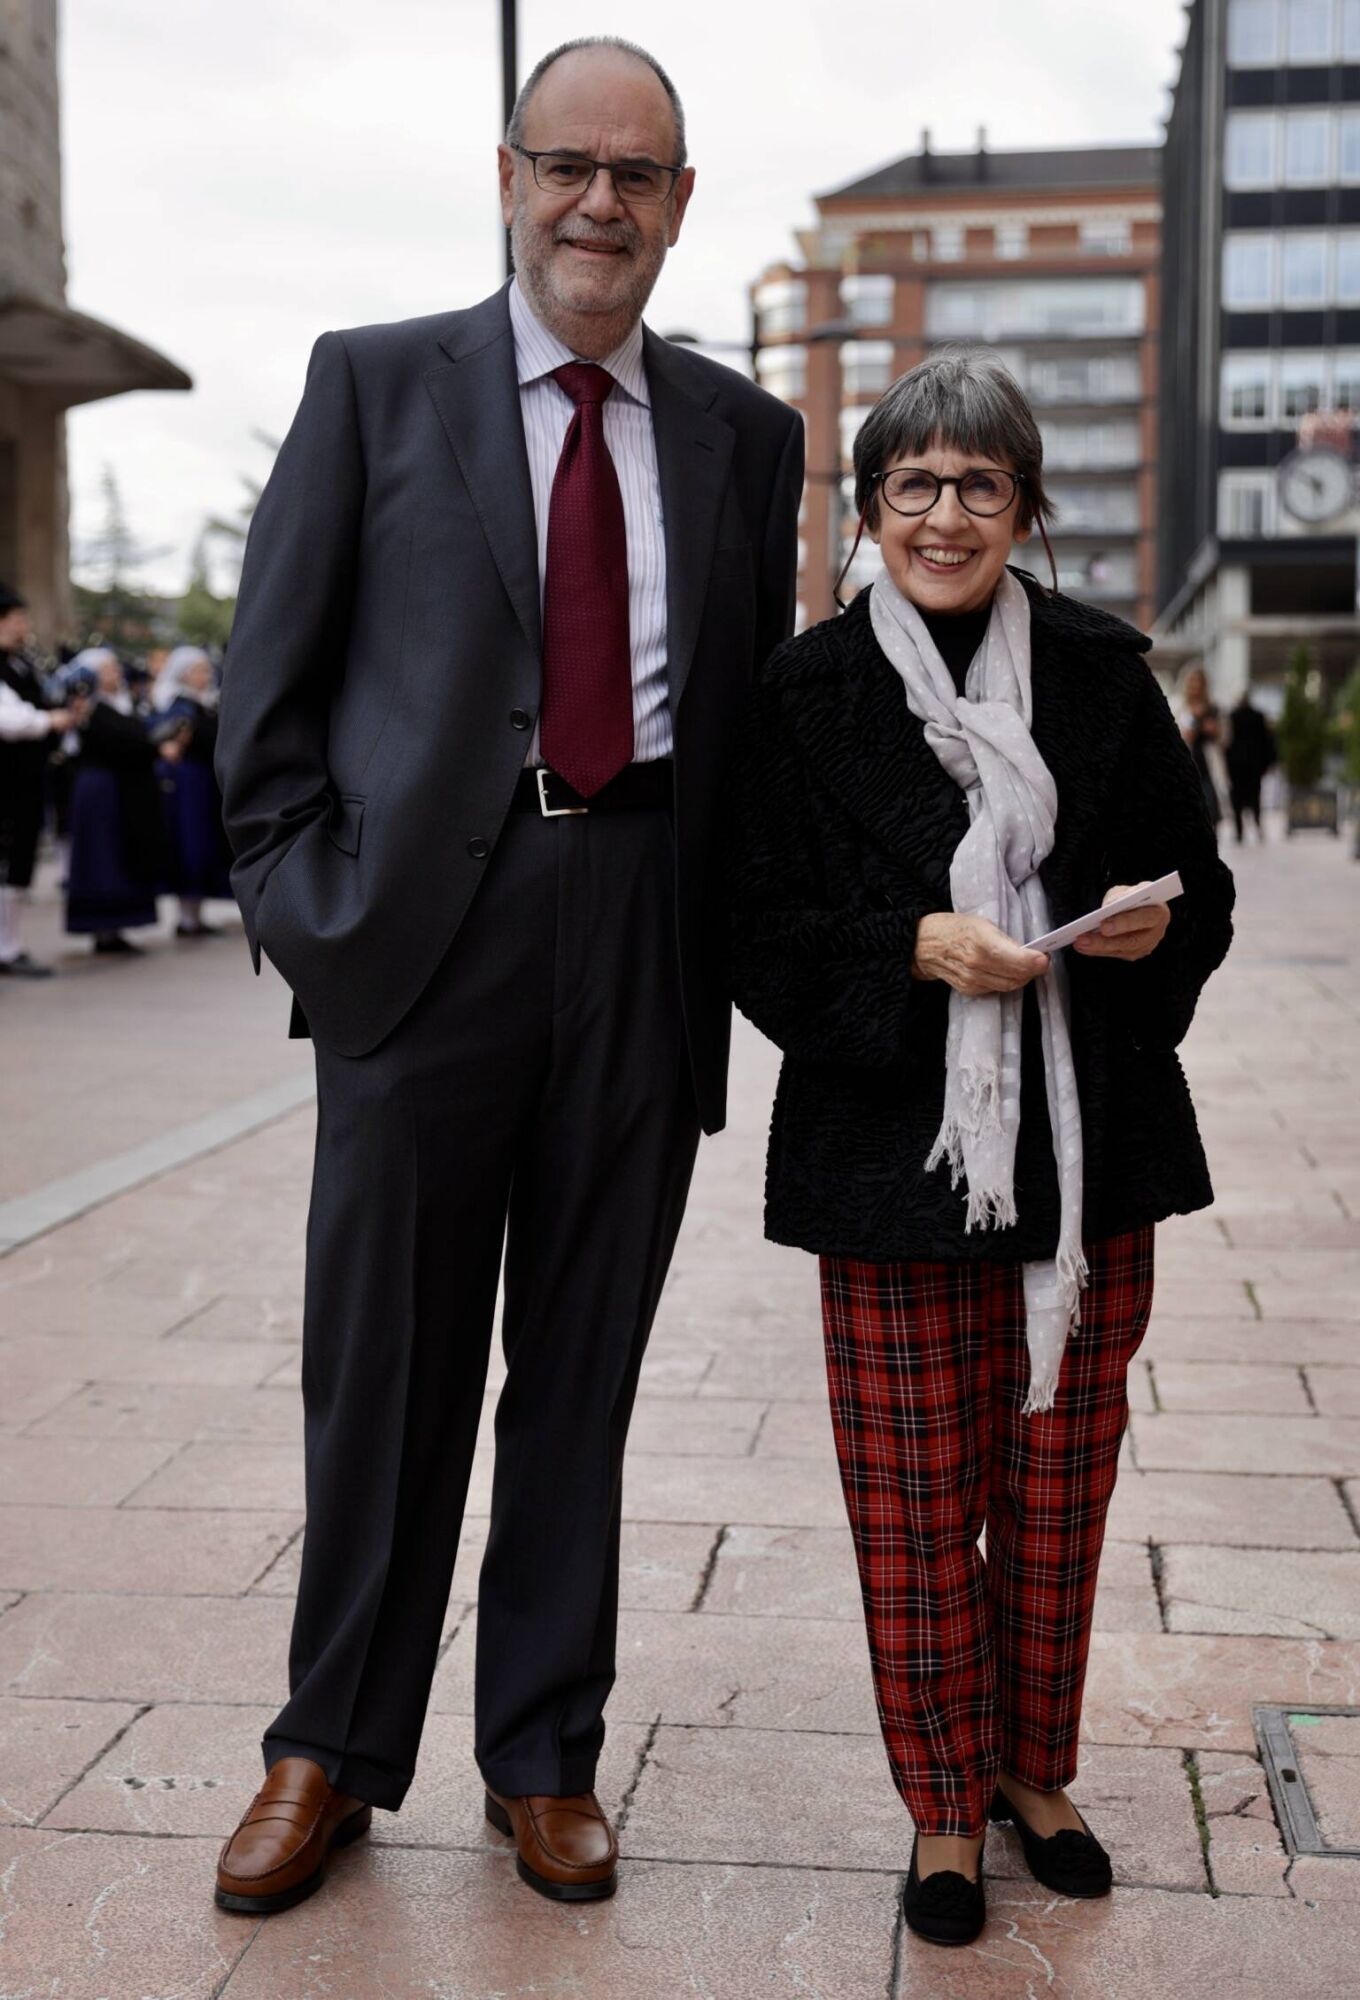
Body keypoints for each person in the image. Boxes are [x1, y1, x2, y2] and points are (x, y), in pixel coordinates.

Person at [213, 35, 801, 1918]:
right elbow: (266, 700)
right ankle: (329, 1747)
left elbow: (751, 725)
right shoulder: (375, 386)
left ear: (682, 205)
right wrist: (323, 916)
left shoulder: (742, 435)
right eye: (569, 164)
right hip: (422, 952)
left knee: (581, 1375)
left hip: (641, 929)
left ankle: (543, 1755)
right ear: (508, 173)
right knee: (381, 1369)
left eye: (638, 175)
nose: (600, 203)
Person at [728, 349, 1234, 1949]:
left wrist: (1159, 932)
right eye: (915, 486)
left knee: (1060, 1493)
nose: (947, 516)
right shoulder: (802, 692)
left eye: (980, 486)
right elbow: (755, 933)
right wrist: (911, 952)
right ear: (871, 507)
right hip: (895, 1155)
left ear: (1026, 506)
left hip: (1087, 1160)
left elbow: (1197, 881)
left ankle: (1037, 1769)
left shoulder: (1100, 669)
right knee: (912, 1502)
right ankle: (943, 1800)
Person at [63, 649, 175, 955]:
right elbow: (123, 741)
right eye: (107, 669)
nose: (115, 673)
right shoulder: (89, 708)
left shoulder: (123, 704)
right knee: (102, 856)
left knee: (121, 854)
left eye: (115, 667)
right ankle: (103, 926)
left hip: (123, 789)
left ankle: (117, 925)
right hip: (102, 791)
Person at [0, 584, 60, 978]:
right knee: (7, 862)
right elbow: (9, 720)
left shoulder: (21, 664)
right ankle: (6, 949)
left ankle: (9, 944)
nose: (24, 627)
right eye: (17, 619)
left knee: (18, 861)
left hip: (24, 780)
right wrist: (48, 721)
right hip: (6, 781)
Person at [152, 645, 233, 934]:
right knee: (188, 845)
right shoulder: (179, 705)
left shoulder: (204, 702)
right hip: (187, 784)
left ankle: (194, 916)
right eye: (199, 670)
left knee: (202, 845)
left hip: (203, 781)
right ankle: (187, 918)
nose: (206, 675)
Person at [1225, 691, 1276, 844]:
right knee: (1251, 798)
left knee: (1242, 799)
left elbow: (1266, 741)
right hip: (1249, 764)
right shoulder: (1243, 716)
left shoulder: (1235, 716)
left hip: (1241, 764)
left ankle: (1243, 830)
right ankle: (1248, 828)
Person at [1178, 663, 1225, 828]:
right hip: (1185, 764)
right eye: (1192, 681)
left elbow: (1225, 738)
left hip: (1208, 765)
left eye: (1199, 682)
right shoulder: (1179, 707)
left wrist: (1214, 731)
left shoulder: (1214, 708)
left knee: (1211, 809)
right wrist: (1186, 733)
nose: (1196, 686)